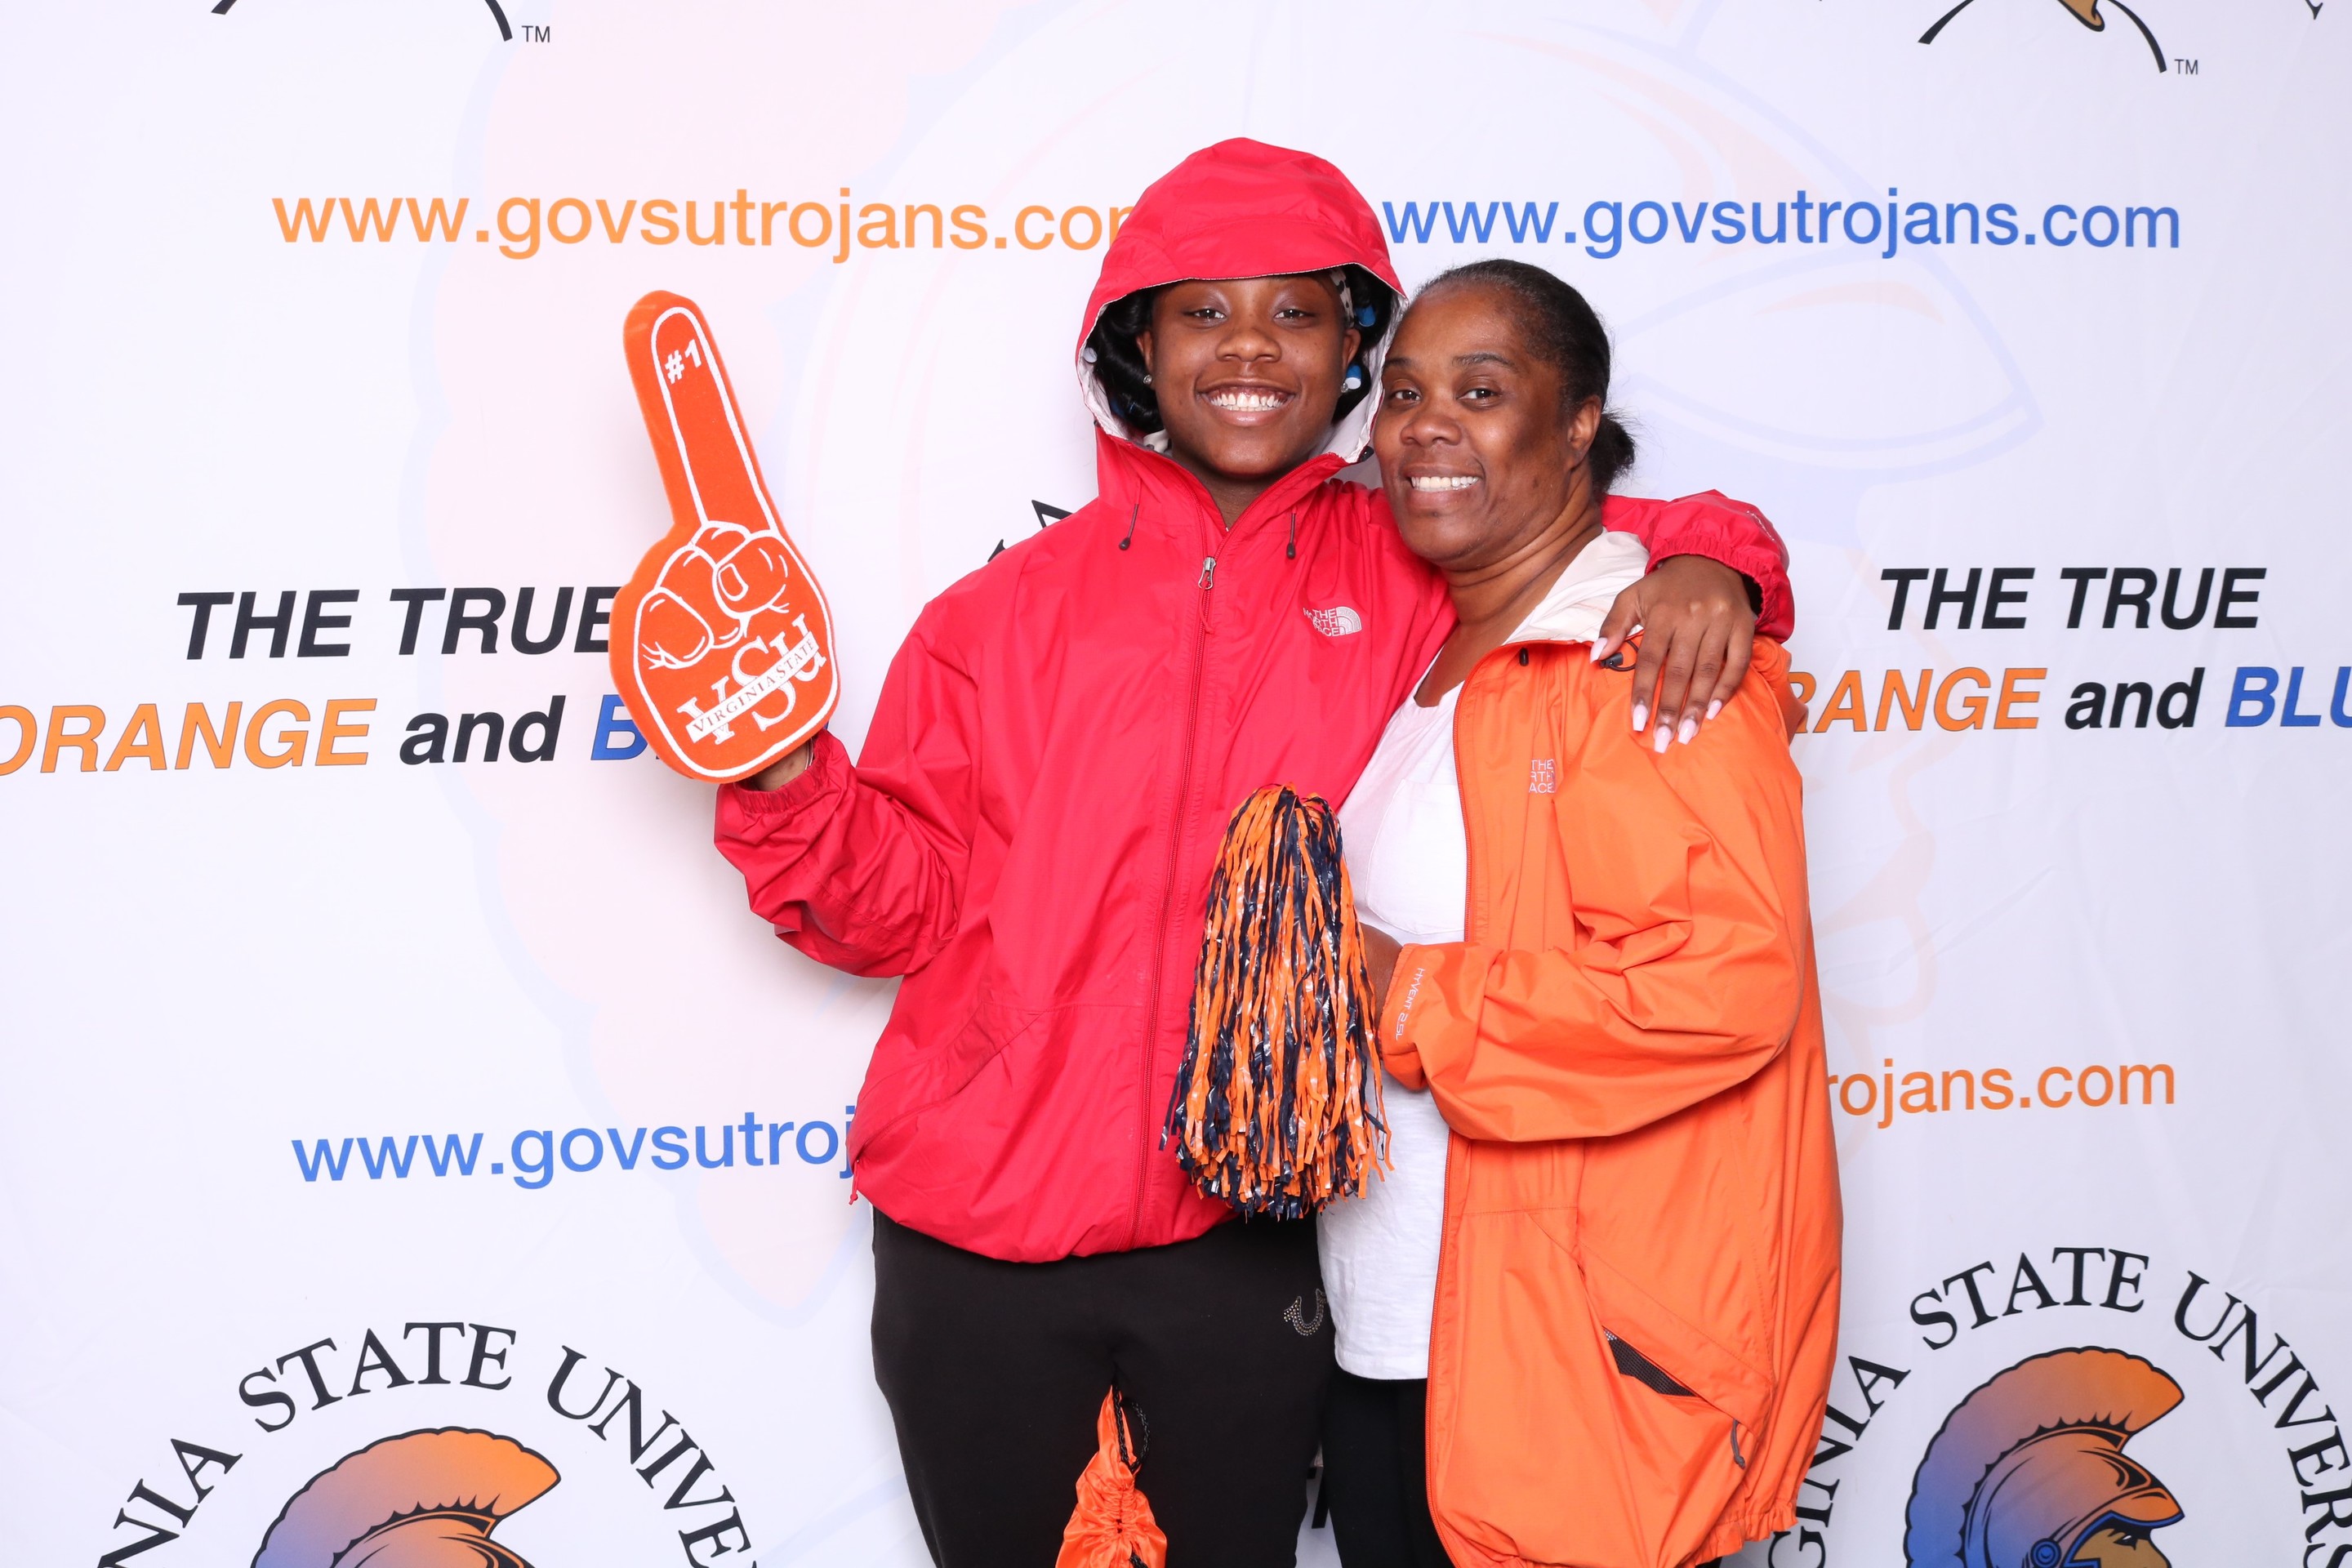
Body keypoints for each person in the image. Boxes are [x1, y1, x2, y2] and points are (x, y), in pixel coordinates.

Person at [712, 141, 1794, 1566]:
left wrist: (1718, 559)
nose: (1246, 348)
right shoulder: (997, 614)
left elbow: (1588, 524)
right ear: (1136, 348)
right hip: (974, 1225)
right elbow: (889, 915)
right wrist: (780, 766)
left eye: (1294, 312)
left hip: (1250, 1226)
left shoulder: (1416, 560)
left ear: (1351, 349)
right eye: (1201, 313)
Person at [1320, 260, 1839, 1568]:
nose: (1426, 427)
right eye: (1403, 394)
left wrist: (1403, 988)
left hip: (1566, 1366)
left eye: (1481, 392)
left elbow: (1722, 984)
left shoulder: (1649, 659)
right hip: (1392, 1339)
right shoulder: (1433, 668)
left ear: (1576, 427)